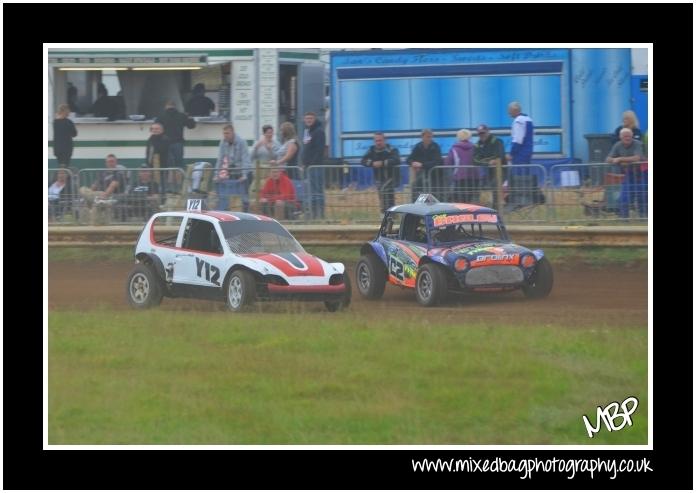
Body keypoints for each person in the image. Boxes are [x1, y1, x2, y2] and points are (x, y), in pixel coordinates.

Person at [155, 101, 196, 191]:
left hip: (165, 145)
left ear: (166, 106)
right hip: (178, 144)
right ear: (175, 106)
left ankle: (166, 189)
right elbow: (192, 125)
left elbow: (155, 128)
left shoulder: (161, 117)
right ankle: (180, 189)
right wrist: (189, 116)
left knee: (166, 167)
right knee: (179, 167)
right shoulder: (181, 116)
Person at [606, 128, 646, 218]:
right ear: (620, 137)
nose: (627, 138)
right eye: (625, 136)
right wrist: (614, 160)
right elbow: (608, 159)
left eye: (629, 136)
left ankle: (644, 216)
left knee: (642, 194)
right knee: (625, 194)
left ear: (632, 136)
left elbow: (637, 158)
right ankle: (624, 217)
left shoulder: (637, 144)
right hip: (630, 173)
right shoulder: (617, 145)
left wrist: (620, 159)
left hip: (642, 172)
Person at [78, 154, 127, 224]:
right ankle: (84, 224)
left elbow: (112, 186)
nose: (110, 163)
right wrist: (90, 194)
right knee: (83, 190)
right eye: (109, 162)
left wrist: (103, 196)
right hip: (97, 196)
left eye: (112, 161)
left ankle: (93, 225)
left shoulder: (118, 174)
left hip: (110, 197)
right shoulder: (103, 173)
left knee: (96, 201)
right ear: (106, 163)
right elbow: (95, 185)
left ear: (116, 162)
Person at [361, 132, 401, 213]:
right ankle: (386, 214)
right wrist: (372, 163)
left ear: (385, 140)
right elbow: (363, 161)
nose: (378, 143)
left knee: (386, 192)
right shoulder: (372, 149)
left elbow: (397, 160)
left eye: (380, 140)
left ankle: (390, 213)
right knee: (382, 195)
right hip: (379, 177)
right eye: (376, 141)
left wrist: (383, 163)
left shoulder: (392, 149)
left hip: (391, 176)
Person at [215, 124, 252, 211]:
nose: (225, 135)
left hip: (245, 171)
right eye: (224, 133)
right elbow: (220, 159)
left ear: (233, 132)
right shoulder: (223, 142)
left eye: (227, 133)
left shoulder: (242, 142)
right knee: (230, 195)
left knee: (244, 197)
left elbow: (245, 159)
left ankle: (246, 213)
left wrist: (244, 175)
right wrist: (216, 174)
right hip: (232, 171)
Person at [473, 123, 507, 208]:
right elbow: (475, 160)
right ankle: (496, 207)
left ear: (488, 131)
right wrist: (488, 162)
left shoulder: (497, 141)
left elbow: (499, 156)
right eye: (480, 133)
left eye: (483, 133)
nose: (482, 135)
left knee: (496, 187)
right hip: (489, 171)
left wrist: (486, 160)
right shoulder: (477, 144)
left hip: (501, 170)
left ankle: (497, 208)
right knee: (493, 188)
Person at [301, 111, 326, 219]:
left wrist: (311, 165)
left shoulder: (319, 132)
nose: (309, 120)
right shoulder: (308, 132)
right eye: (307, 118)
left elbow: (319, 150)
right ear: (304, 120)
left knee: (317, 191)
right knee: (312, 191)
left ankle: (320, 215)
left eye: (311, 118)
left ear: (314, 119)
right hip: (309, 167)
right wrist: (304, 163)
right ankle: (314, 214)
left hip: (315, 167)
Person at [445, 129, 481, 204]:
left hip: (460, 177)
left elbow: (448, 162)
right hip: (475, 177)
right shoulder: (475, 147)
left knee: (460, 201)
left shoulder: (454, 149)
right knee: (470, 200)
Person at [407, 129, 443, 201]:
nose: (429, 139)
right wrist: (413, 163)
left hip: (434, 176)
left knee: (433, 195)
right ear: (422, 137)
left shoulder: (435, 147)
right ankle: (416, 208)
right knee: (416, 190)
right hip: (421, 176)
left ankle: (434, 210)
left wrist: (422, 165)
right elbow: (409, 159)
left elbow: (437, 161)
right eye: (427, 137)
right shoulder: (418, 146)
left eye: (431, 137)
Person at [506, 101, 534, 167]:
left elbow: (518, 140)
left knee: (518, 175)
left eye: (509, 110)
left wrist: (511, 154)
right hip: (528, 152)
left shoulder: (518, 120)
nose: (508, 112)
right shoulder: (529, 119)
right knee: (526, 175)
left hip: (519, 154)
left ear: (515, 110)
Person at [144, 122, 170, 187]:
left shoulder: (165, 139)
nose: (154, 130)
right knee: (153, 186)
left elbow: (160, 150)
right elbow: (148, 153)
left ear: (162, 130)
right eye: (153, 129)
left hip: (162, 167)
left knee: (162, 186)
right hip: (151, 166)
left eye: (157, 129)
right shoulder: (150, 139)